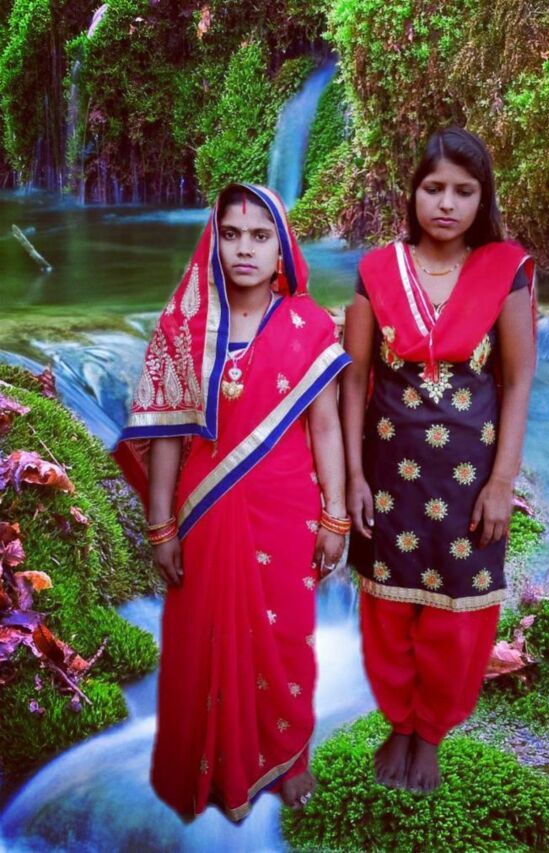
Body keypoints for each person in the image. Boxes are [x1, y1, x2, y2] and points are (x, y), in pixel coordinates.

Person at [113, 183, 352, 822]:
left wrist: (335, 515)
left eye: (260, 235)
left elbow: (325, 426)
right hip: (204, 511)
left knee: (285, 640)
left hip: (287, 513)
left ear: (283, 249)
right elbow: (167, 433)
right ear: (214, 241)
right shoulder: (183, 326)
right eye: (231, 234)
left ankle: (287, 760)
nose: (244, 248)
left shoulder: (308, 325)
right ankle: (211, 770)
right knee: (201, 642)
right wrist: (161, 526)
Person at [341, 127, 536, 794]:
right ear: (412, 193)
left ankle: (431, 731)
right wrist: (352, 475)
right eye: (433, 188)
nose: (446, 203)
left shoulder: (506, 271)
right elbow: (353, 380)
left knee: (460, 610)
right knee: (386, 607)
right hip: (388, 475)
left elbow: (518, 381)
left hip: (469, 478)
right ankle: (398, 720)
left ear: (483, 199)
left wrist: (502, 480)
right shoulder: (377, 271)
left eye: (463, 190)